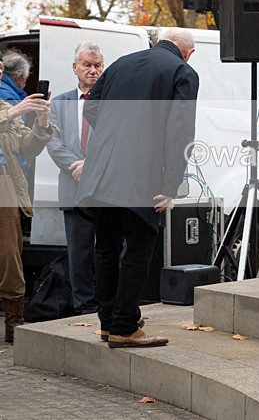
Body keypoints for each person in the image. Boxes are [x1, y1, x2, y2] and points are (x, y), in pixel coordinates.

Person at [76, 28, 199, 347]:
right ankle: (125, 326)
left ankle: (108, 322)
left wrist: (115, 136)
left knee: (106, 247)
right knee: (140, 247)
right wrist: (171, 185)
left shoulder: (120, 63)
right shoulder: (182, 71)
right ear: (188, 52)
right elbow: (180, 131)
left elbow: (90, 108)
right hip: (141, 175)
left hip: (101, 173)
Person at [46, 42, 105, 314]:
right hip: (72, 189)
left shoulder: (111, 101)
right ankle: (85, 309)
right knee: (79, 255)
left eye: (98, 66)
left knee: (107, 253)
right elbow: (53, 141)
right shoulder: (58, 104)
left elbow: (114, 141)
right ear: (75, 68)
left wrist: (90, 167)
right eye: (87, 65)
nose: (93, 71)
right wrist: (75, 166)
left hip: (105, 190)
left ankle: (109, 306)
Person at [0, 57, 54, 343]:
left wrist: (42, 125)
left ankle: (14, 320)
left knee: (10, 252)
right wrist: (11, 113)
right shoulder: (10, 108)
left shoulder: (9, 106)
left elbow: (27, 148)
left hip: (4, 182)